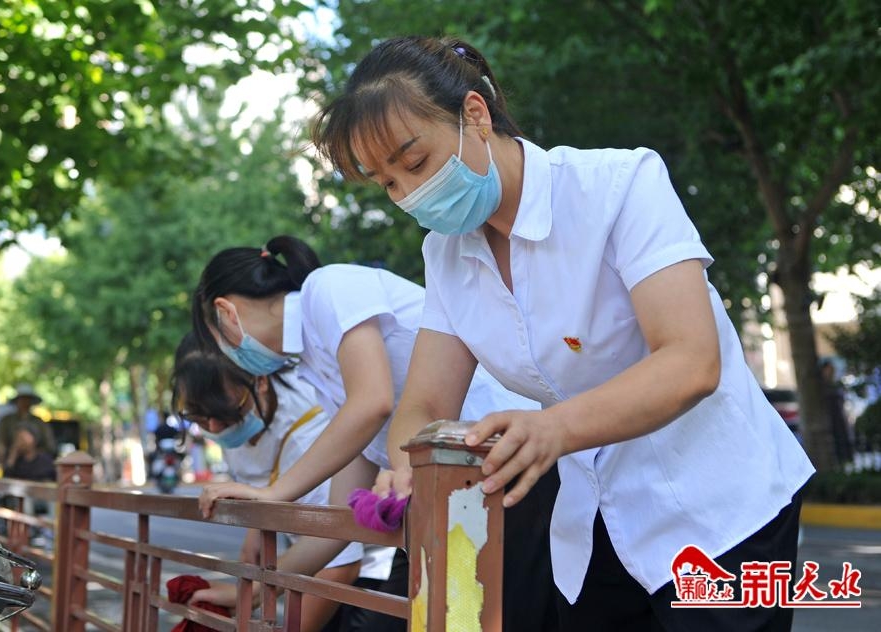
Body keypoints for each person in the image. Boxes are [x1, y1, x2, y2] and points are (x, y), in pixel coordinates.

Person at [310, 35, 816, 631]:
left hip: (717, 512)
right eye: (388, 183)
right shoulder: (447, 255)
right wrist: (406, 465)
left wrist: (552, 428)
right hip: (594, 522)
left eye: (415, 163)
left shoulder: (619, 185)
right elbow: (423, 404)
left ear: (475, 114)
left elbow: (691, 361)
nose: (410, 192)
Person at [191, 236, 560, 630]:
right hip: (457, 490)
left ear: (226, 312)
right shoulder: (317, 367)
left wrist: (275, 492)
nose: (232, 356)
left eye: (217, 341)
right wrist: (252, 590)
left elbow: (372, 403)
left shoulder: (328, 288)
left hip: (507, 467)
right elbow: (338, 523)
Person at [171, 335, 384, 632]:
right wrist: (256, 538)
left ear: (259, 381)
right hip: (309, 563)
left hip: (366, 576)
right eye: (199, 417)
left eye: (226, 415)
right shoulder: (243, 415)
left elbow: (339, 563)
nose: (215, 428)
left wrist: (254, 598)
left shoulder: (310, 434)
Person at [0, 384, 55, 469]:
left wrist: (33, 453)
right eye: (22, 399)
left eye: (27, 400)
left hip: (35, 463)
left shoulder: (39, 423)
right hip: (14, 463)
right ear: (17, 401)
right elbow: (0, 442)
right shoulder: (7, 421)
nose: (25, 403)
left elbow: (50, 446)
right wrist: (5, 453)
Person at [820, 359, 854, 467]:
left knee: (842, 441)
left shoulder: (837, 384)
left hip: (839, 418)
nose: (831, 372)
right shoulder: (821, 386)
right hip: (829, 419)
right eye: (828, 369)